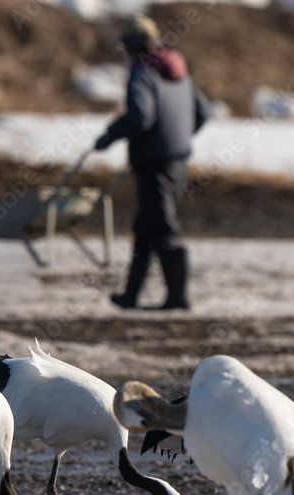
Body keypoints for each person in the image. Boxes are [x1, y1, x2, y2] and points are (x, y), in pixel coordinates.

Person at [95, 15, 209, 310]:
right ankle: (130, 295)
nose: (124, 53)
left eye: (125, 47)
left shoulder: (141, 72)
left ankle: (178, 298)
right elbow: (203, 112)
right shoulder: (179, 70)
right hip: (177, 161)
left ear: (133, 45)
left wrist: (110, 134)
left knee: (163, 228)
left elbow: (140, 117)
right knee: (146, 228)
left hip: (154, 164)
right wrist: (178, 137)